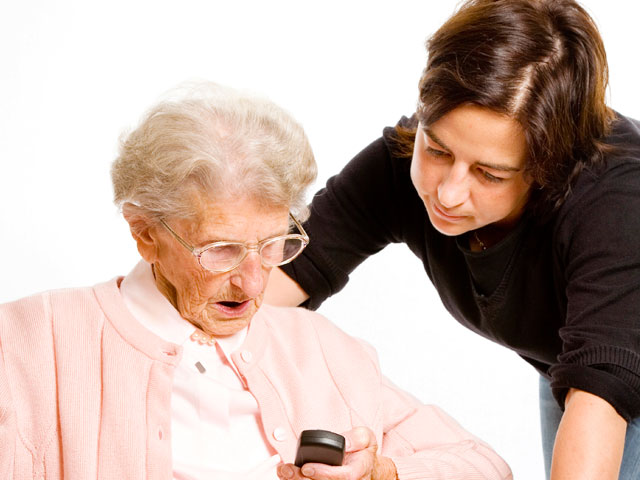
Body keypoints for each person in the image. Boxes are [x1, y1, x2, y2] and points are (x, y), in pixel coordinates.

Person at [0, 81, 512, 480]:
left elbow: (484, 465)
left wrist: (385, 473)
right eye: (221, 250)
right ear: (146, 233)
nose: (252, 284)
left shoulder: (320, 348)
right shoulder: (31, 343)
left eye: (272, 244)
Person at [264, 1, 640, 479]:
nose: (447, 193)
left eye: (489, 174)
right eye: (438, 150)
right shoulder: (399, 164)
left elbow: (599, 389)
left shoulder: (616, 206)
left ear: (548, 168)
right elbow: (266, 286)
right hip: (574, 361)